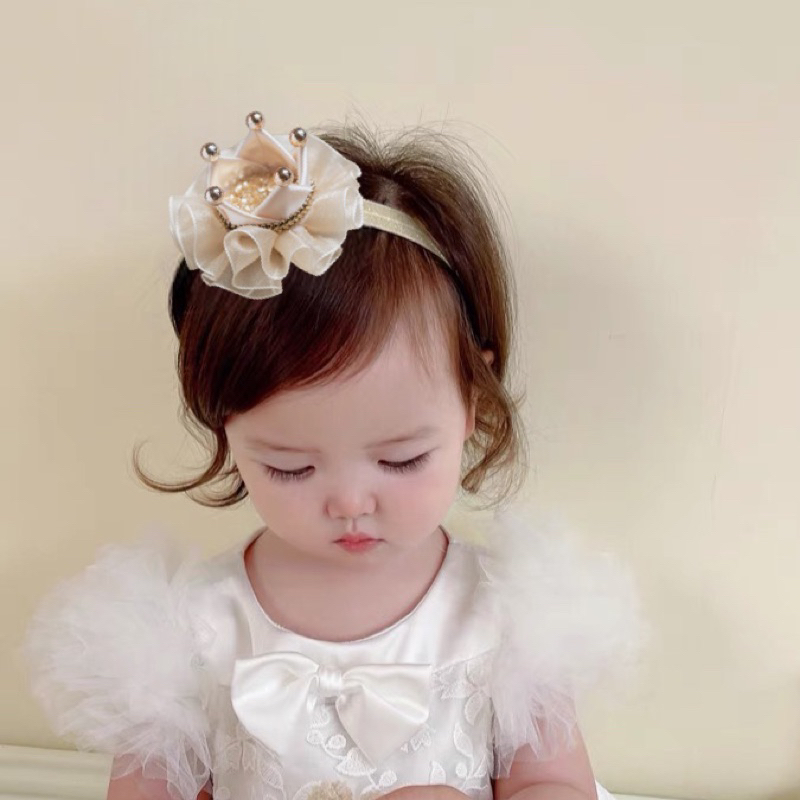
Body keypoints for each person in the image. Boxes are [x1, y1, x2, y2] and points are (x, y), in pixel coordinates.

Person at [25, 111, 639, 800]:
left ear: (472, 399)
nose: (350, 502)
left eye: (402, 459)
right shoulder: (186, 631)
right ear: (226, 429)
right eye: (290, 467)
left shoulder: (510, 617)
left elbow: (554, 783)